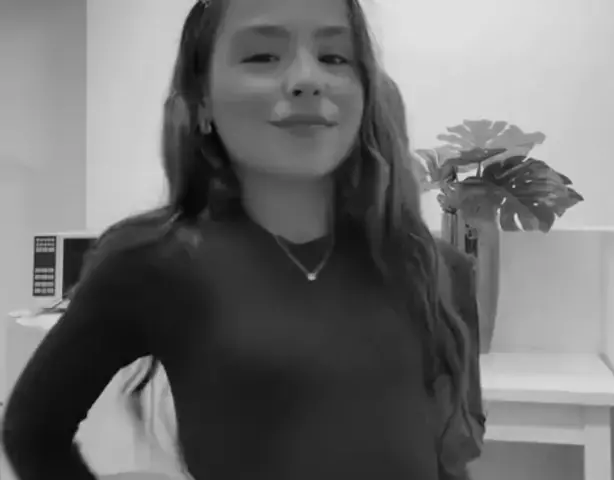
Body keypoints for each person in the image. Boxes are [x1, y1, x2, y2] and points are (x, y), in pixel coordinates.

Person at [2, 0, 485, 479]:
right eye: (262, 56)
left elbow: (451, 458)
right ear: (202, 100)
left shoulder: (435, 269)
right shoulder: (155, 263)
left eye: (335, 57)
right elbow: (32, 431)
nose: (308, 79)